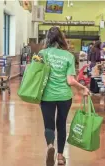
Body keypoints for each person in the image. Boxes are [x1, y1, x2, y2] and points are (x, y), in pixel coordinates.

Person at [38, 26, 90, 166]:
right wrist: (83, 87)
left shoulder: (42, 54)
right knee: (61, 125)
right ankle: (60, 156)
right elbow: (70, 81)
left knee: (49, 125)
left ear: (48, 38)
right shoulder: (69, 56)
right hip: (64, 96)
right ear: (62, 38)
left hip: (46, 95)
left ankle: (50, 146)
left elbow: (36, 74)